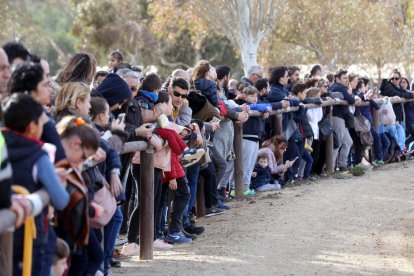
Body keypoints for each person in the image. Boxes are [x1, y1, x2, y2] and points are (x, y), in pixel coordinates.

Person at [3, 94, 69, 276]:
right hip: (28, 237)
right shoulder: (38, 155)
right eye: (42, 122)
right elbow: (61, 200)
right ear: (32, 127)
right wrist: (57, 181)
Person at [329, 69, 356, 171]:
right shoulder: (339, 87)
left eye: (347, 78)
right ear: (337, 79)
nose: (346, 80)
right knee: (337, 142)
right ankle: (331, 167)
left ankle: (342, 165)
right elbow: (351, 100)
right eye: (344, 78)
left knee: (348, 141)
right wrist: (349, 93)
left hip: (341, 118)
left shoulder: (340, 87)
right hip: (337, 117)